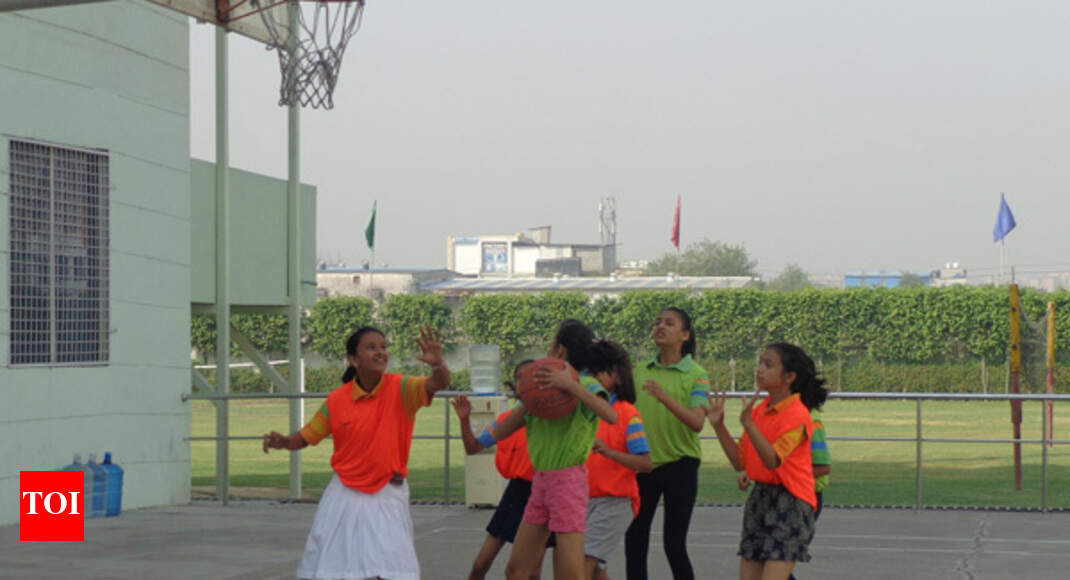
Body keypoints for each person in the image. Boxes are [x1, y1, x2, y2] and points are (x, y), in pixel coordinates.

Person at [262, 325, 449, 580]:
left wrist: (438, 365)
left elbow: (438, 383)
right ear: (353, 359)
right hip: (343, 495)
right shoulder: (337, 400)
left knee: (389, 569)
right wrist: (284, 442)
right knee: (334, 568)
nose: (380, 352)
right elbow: (306, 437)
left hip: (387, 494)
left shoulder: (403, 388)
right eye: (371, 347)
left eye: (383, 347)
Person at [494, 319, 619, 580]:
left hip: (567, 480)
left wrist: (570, 386)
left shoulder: (584, 384)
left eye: (552, 344)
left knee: (570, 574)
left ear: (560, 350)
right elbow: (506, 427)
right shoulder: (541, 385)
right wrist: (530, 399)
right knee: (516, 571)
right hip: (540, 481)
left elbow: (611, 416)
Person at [708, 342, 829, 580]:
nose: (760, 369)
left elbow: (773, 460)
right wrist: (719, 426)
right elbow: (739, 462)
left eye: (768, 364)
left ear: (789, 377)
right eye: (760, 363)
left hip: (792, 503)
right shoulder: (758, 410)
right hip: (760, 498)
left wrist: (749, 425)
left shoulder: (798, 414)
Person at [625, 307, 710, 580]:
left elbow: (697, 423)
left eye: (669, 323)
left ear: (684, 335)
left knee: (674, 544)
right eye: (658, 321)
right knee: (635, 540)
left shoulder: (696, 374)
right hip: (644, 466)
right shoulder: (638, 371)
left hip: (680, 466)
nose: (660, 326)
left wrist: (665, 398)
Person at [452, 360, 546, 580]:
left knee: (528, 573)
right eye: (520, 377)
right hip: (516, 493)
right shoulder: (508, 420)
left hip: (543, 493)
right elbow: (472, 447)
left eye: (532, 376)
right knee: (480, 564)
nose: (525, 382)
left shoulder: (550, 417)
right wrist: (464, 420)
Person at [584, 339, 653, 579]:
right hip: (584, 500)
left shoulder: (627, 414)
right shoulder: (583, 410)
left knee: (581, 565)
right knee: (594, 570)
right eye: (587, 372)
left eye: (596, 372)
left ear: (617, 376)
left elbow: (645, 463)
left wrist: (609, 452)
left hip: (614, 502)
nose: (590, 378)